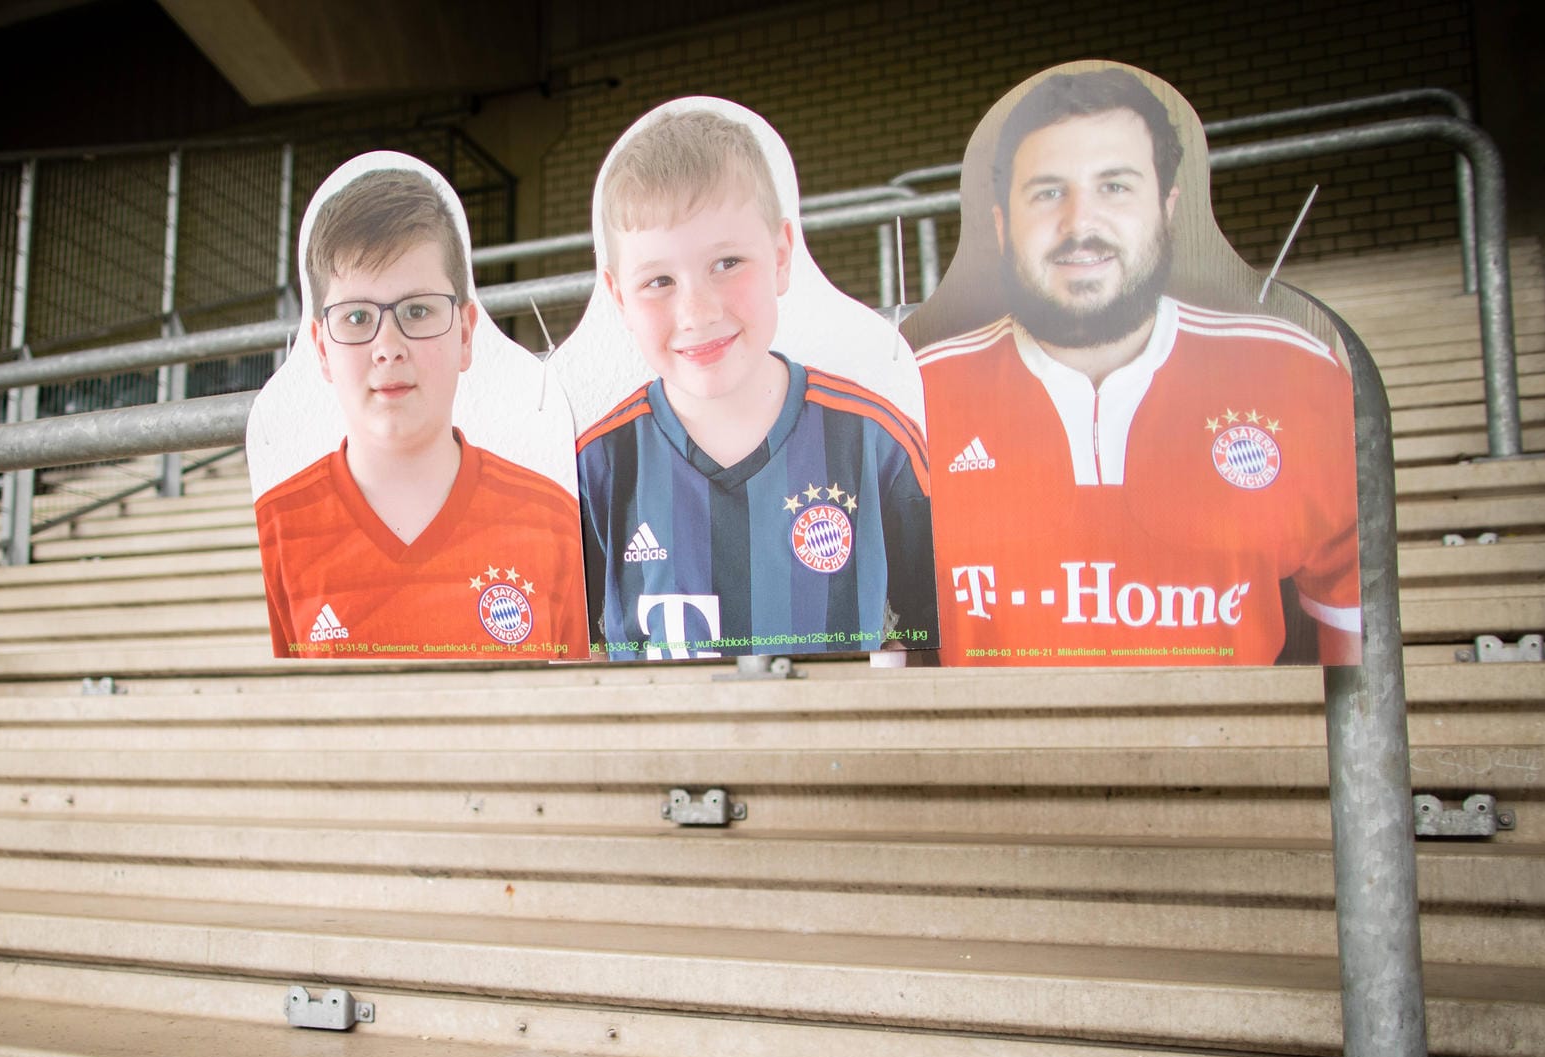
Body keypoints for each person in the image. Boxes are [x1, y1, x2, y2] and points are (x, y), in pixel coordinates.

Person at [913, 67, 1359, 665]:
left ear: (1168, 208)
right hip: (991, 758)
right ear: (1001, 224)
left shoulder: (1297, 376)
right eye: (1047, 192)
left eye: (1115, 187)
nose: (1080, 225)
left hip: (1228, 755)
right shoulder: (910, 396)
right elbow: (878, 672)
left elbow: (1357, 653)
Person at [575, 108, 937, 661]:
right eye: (659, 280)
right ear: (619, 296)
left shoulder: (876, 443)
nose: (696, 311)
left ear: (782, 256)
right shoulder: (597, 468)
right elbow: (571, 659)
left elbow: (937, 637)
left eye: (727, 262)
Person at [253, 168, 588, 659]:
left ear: (466, 334)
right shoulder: (276, 529)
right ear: (321, 349)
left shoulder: (552, 520)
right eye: (357, 317)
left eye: (416, 311)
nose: (387, 348)